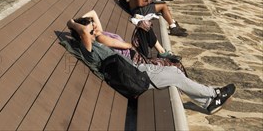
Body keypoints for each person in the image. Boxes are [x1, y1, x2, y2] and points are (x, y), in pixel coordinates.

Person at [66, 16, 236, 114]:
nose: (93, 28)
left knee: (173, 70)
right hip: (137, 79)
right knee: (175, 76)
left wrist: (89, 25)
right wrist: (73, 24)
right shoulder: (89, 51)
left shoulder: (97, 41)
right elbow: (82, 32)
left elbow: (91, 25)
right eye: (89, 28)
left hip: (137, 71)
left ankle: (209, 99)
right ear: (83, 34)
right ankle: (213, 95)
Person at [79, 10, 182, 66]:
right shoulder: (100, 38)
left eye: (93, 24)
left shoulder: (99, 33)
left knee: (143, 25)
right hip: (135, 57)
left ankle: (162, 51)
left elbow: (93, 12)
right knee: (143, 24)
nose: (95, 27)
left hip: (134, 53)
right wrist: (139, 42)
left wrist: (76, 22)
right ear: (88, 35)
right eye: (92, 30)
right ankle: (162, 52)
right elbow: (127, 45)